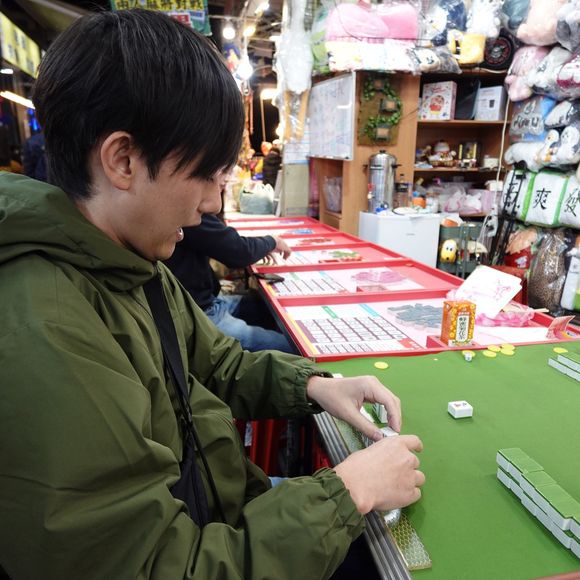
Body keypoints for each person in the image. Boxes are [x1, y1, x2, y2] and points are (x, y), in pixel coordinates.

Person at [0, 10, 425, 580]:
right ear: (123, 160)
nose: (212, 205)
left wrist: (316, 386)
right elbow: (155, 566)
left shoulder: (129, 263)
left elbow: (216, 363)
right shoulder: (47, 329)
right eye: (205, 175)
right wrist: (348, 492)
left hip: (215, 508)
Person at [165, 212, 296, 353]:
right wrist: (271, 241)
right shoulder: (184, 212)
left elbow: (231, 245)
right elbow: (238, 251)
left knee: (267, 307)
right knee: (292, 348)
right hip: (198, 315)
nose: (215, 205)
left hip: (206, 301)